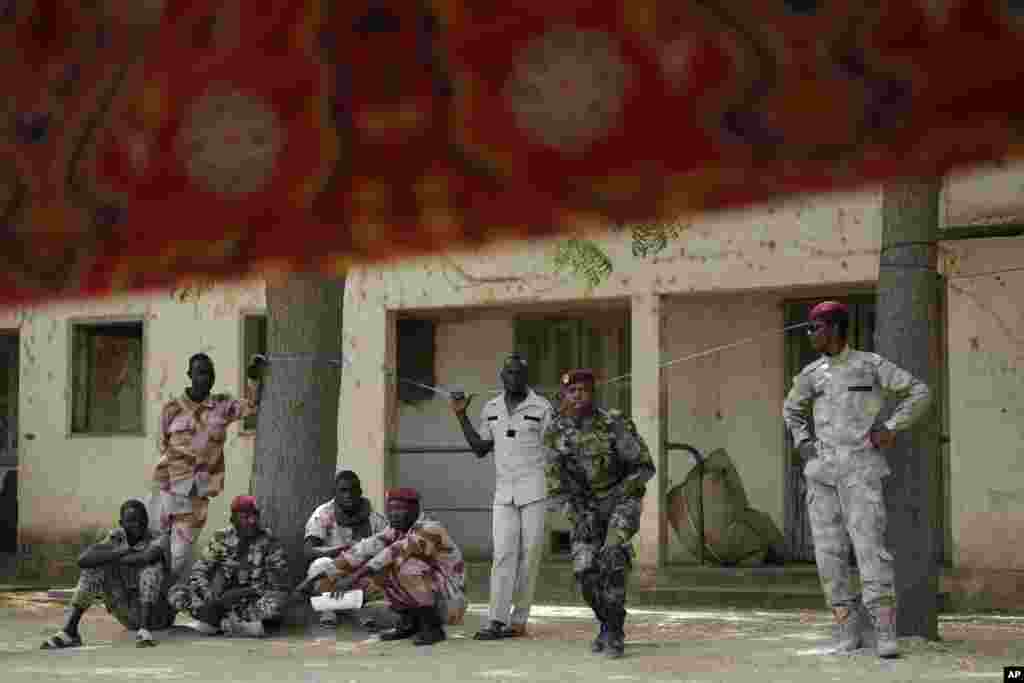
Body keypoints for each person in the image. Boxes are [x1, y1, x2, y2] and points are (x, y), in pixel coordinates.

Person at [783, 301, 931, 658]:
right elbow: (791, 409)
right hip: (822, 477)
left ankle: (884, 632)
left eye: (814, 328)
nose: (810, 334)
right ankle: (845, 630)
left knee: (870, 552)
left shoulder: (870, 365)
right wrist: (803, 442)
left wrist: (892, 427)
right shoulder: (811, 374)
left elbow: (919, 392)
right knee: (828, 557)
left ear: (833, 328)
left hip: (861, 473)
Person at [543, 369, 655, 659]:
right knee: (585, 572)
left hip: (620, 501)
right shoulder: (556, 431)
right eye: (571, 391)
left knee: (612, 556)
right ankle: (608, 622)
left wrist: (616, 496)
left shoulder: (613, 423)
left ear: (593, 393)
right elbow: (555, 484)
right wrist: (575, 512)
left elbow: (644, 467)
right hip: (585, 508)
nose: (577, 395)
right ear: (564, 395)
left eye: (583, 389)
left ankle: (614, 633)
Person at [450, 352, 553, 640]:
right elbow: (480, 448)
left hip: (534, 491)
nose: (514, 377)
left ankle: (518, 621)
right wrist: (461, 414)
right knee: (503, 555)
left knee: (529, 556)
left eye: (520, 373)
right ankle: (495, 620)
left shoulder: (541, 407)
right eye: (509, 373)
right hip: (504, 494)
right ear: (502, 376)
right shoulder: (491, 408)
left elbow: (555, 449)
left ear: (526, 377)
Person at [300, 488, 466, 646]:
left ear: (415, 509)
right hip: (436, 596)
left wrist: (352, 579)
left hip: (450, 602)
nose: (394, 513)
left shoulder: (429, 528)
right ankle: (409, 624)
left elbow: (391, 553)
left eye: (400, 508)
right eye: (391, 508)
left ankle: (432, 628)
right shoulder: (395, 530)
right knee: (384, 571)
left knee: (403, 566)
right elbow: (361, 550)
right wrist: (317, 578)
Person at [151, 352, 267, 579]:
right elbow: (163, 444)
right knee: (156, 546)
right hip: (165, 487)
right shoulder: (171, 409)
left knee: (179, 554)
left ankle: (162, 596)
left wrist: (253, 377)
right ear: (190, 375)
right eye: (200, 372)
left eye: (210, 373)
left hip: (196, 493)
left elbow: (252, 405)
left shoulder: (222, 405)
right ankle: (152, 599)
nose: (205, 378)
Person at [41, 500, 174, 649]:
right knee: (94, 567)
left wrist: (111, 556)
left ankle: (145, 631)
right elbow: (83, 559)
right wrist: (121, 552)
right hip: (126, 613)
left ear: (147, 520)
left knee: (151, 566)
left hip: (158, 615)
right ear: (121, 523)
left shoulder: (159, 538)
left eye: (141, 520)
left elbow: (146, 558)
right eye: (131, 521)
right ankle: (70, 631)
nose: (137, 524)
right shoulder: (116, 537)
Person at [168, 495, 289, 638]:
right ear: (233, 519)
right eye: (245, 517)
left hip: (252, 604)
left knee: (280, 600)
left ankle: (221, 625)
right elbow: (199, 572)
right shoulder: (221, 538)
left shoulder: (270, 542)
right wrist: (209, 595)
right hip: (220, 603)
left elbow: (279, 585)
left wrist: (242, 592)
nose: (252, 521)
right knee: (177, 593)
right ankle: (232, 625)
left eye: (255, 516)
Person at [303, 470, 388, 627]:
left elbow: (386, 553)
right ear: (335, 493)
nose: (348, 495)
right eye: (343, 490)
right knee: (320, 564)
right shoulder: (323, 514)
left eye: (353, 490)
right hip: (332, 574)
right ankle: (350, 609)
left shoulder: (375, 519)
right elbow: (308, 551)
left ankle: (332, 606)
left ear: (360, 492)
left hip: (359, 575)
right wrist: (340, 550)